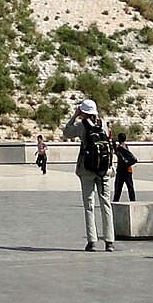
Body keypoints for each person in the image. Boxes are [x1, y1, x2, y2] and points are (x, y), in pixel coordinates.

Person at [62, 99, 116, 252]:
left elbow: (67, 132)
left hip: (87, 170)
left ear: (84, 112)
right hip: (104, 169)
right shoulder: (103, 124)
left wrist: (74, 116)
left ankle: (92, 241)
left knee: (89, 205)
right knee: (106, 204)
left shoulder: (82, 126)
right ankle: (109, 241)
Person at [114, 132, 137, 201]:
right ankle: (133, 200)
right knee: (130, 187)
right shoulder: (126, 147)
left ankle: (116, 201)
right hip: (128, 170)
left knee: (118, 187)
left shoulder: (119, 148)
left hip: (121, 170)